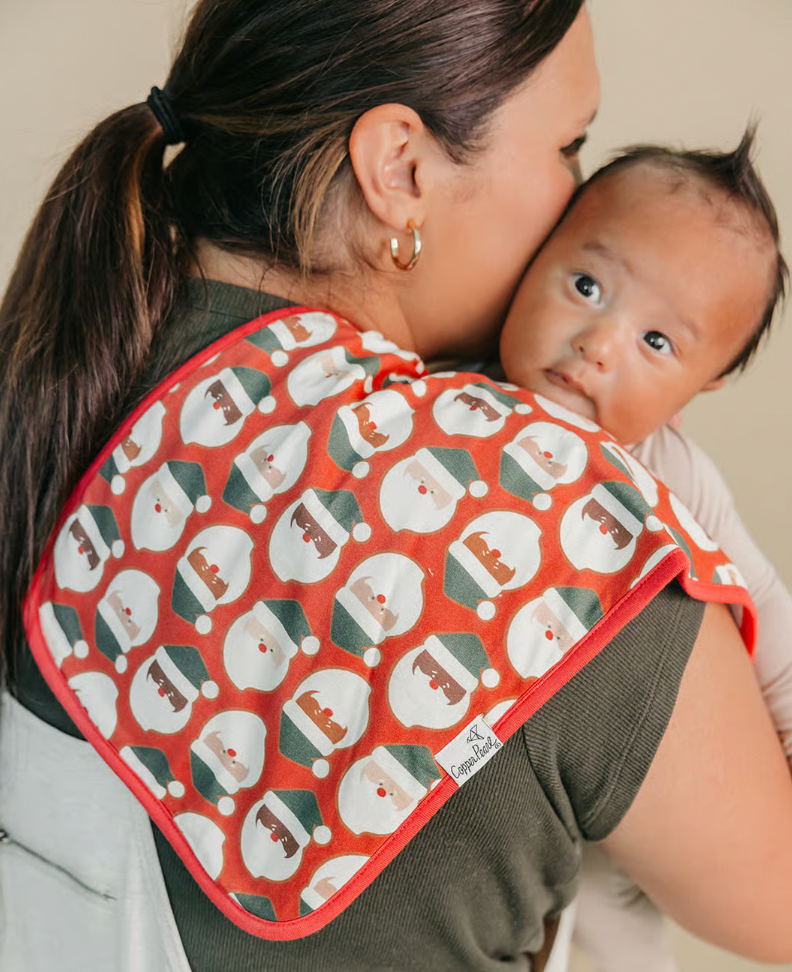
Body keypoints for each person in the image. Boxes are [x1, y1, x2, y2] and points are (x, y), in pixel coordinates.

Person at [2, 4, 792, 972]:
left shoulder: (71, 350)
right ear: (402, 172)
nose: (580, 197)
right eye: (569, 145)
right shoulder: (557, 518)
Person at [497, 134, 792, 971]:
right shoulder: (456, 385)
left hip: (640, 781)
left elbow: (765, 604)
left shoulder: (673, 473)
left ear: (699, 389)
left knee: (617, 929)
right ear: (535, 255)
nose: (599, 342)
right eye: (587, 286)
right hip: (510, 771)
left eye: (657, 344)